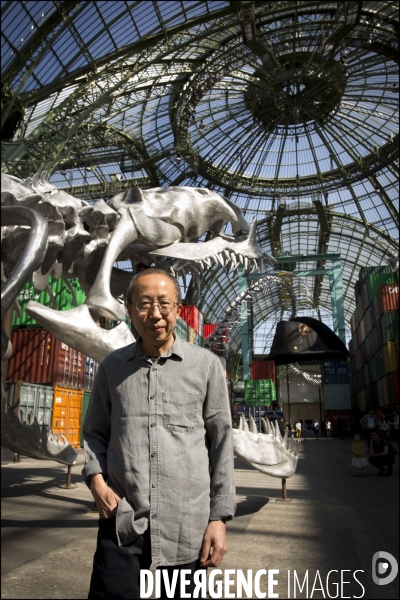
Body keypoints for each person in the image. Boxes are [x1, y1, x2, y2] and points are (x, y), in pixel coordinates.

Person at [82, 269, 235, 599]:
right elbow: (95, 433)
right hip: (123, 522)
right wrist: (96, 482)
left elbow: (222, 445)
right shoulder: (112, 368)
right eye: (144, 304)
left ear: (178, 309)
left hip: (186, 527)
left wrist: (219, 519)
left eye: (164, 303)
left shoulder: (206, 366)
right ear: (129, 309)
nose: (155, 314)